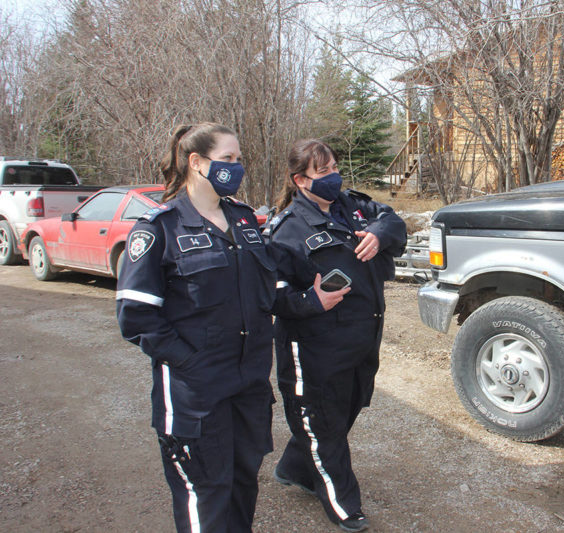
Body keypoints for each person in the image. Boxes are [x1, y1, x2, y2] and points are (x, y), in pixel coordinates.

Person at [116, 123, 347, 532]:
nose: (236, 167)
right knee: (205, 493)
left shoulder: (243, 221)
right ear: (196, 162)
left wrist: (310, 300)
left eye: (239, 160)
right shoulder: (160, 228)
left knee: (243, 485)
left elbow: (265, 292)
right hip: (196, 395)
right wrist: (190, 361)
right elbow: (137, 318)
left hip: (248, 387)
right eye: (227, 159)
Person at [268, 139, 407, 532]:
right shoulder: (286, 230)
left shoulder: (354, 206)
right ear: (300, 180)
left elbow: (394, 220)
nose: (333, 176)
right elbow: (269, 295)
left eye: (333, 167)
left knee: (344, 411)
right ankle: (343, 504)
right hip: (316, 348)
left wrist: (379, 233)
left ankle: (295, 467)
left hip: (363, 339)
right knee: (324, 425)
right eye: (323, 171)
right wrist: (310, 300)